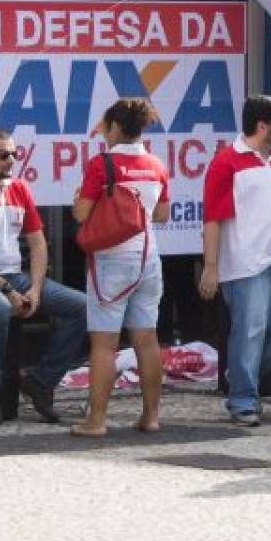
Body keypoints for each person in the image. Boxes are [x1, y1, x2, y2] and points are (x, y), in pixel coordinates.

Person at [0, 127, 89, 426]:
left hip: (14, 275)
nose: (11, 160)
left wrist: (35, 288)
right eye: (3, 155)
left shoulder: (19, 188)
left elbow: (37, 243)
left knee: (84, 307)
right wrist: (7, 289)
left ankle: (41, 381)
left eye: (14, 154)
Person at [199, 95, 271, 427]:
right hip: (245, 264)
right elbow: (213, 219)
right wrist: (211, 267)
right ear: (262, 126)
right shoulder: (226, 162)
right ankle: (243, 399)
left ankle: (239, 375)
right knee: (250, 331)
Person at [70, 99, 170, 438]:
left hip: (111, 260)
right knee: (147, 340)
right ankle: (151, 417)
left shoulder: (101, 165)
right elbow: (161, 215)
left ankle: (96, 421)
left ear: (114, 127)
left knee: (104, 345)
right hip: (148, 257)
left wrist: (77, 199)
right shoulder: (156, 164)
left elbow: (82, 214)